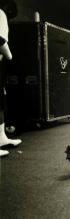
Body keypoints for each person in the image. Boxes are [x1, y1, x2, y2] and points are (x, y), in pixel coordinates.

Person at [0, 0, 21, 157]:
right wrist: (10, 56)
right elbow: (0, 40)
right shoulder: (0, 14)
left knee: (0, 102)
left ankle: (1, 137)